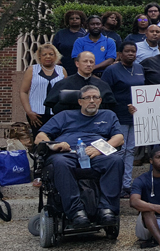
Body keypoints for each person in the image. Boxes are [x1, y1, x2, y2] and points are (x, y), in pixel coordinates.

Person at [35, 85, 124, 228]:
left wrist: (99, 149)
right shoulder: (65, 115)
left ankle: (106, 209)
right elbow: (39, 137)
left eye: (95, 97)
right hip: (68, 153)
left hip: (95, 154)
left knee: (115, 160)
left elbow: (119, 138)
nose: (92, 101)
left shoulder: (108, 115)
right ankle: (76, 211)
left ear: (100, 100)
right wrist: (55, 144)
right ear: (80, 101)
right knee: (59, 162)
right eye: (87, 97)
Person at [101, 42, 145, 198]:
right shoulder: (111, 70)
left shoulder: (139, 68)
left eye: (133, 51)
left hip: (136, 117)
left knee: (131, 150)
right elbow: (105, 94)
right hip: (118, 116)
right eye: (127, 51)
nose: (131, 54)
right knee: (119, 151)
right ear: (121, 54)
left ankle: (127, 184)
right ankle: (116, 184)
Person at [44, 51, 116, 114]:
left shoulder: (102, 85)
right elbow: (54, 107)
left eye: (91, 62)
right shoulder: (63, 84)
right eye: (85, 61)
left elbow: (109, 107)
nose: (88, 64)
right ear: (77, 64)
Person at [20, 44, 66, 135]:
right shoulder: (32, 70)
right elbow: (23, 92)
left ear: (56, 56)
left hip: (56, 114)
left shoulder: (61, 70)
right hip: (36, 114)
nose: (48, 56)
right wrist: (29, 112)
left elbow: (65, 93)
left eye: (51, 54)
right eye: (44, 54)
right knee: (39, 140)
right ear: (39, 56)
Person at [52, 10, 87, 76]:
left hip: (80, 66)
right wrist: (57, 60)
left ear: (81, 20)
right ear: (68, 20)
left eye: (77, 18)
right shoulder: (61, 33)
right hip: (63, 65)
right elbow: (54, 49)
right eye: (71, 18)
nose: (74, 20)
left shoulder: (86, 34)